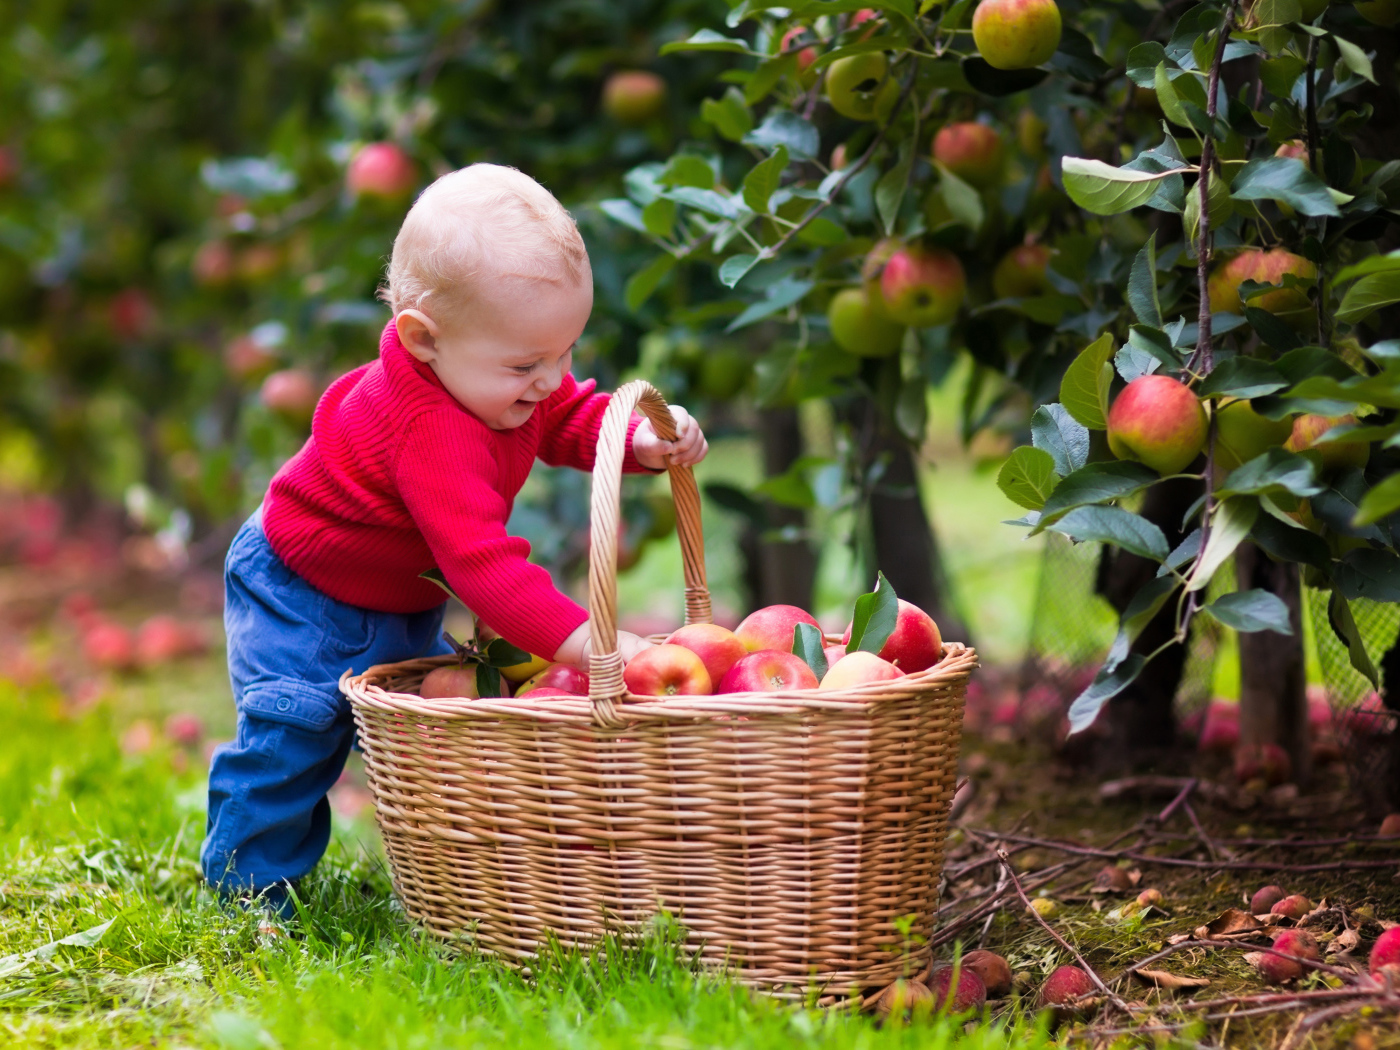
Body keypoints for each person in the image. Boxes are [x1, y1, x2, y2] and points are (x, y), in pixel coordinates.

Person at [202, 163, 709, 914]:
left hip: (392, 584)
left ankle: (447, 873)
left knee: (419, 730)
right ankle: (246, 891)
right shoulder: (427, 428)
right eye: (528, 364)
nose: (552, 378)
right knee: (296, 732)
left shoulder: (496, 376)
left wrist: (635, 442)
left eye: (566, 352)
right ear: (424, 340)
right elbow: (481, 564)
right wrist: (587, 642)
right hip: (303, 587)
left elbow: (562, 416)